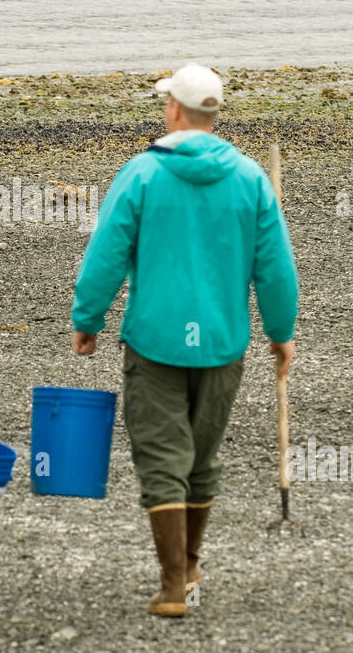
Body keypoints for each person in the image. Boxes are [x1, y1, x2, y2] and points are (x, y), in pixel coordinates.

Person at [71, 63, 298, 618]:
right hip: (222, 341)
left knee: (162, 455)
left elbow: (107, 253)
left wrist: (88, 317)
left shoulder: (143, 174)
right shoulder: (249, 179)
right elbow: (275, 266)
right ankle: (190, 565)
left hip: (155, 340)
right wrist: (280, 330)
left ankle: (175, 583)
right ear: (212, 114)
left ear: (173, 108)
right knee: (200, 455)